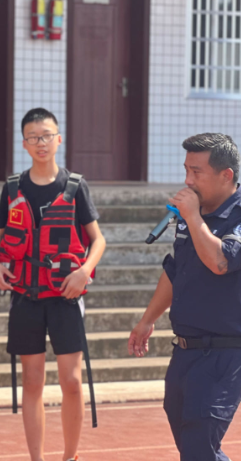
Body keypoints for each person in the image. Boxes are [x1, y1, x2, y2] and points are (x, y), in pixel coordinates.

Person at [0, 108, 105, 461]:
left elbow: (98, 240)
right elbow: (0, 235)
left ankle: (70, 456)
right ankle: (36, 458)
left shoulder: (75, 186)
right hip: (26, 296)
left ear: (59, 138)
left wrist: (84, 270)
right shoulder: (13, 187)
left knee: (71, 380)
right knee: (33, 381)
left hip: (65, 296)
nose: (41, 142)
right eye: (34, 137)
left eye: (47, 135)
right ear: (24, 143)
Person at [129, 133, 241, 461]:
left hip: (225, 352)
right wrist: (147, 320)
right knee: (193, 446)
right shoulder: (190, 215)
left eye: (197, 172)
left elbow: (221, 261)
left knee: (199, 445)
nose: (187, 181)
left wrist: (193, 218)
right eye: (186, 171)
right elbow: (176, 271)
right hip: (185, 349)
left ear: (226, 175)